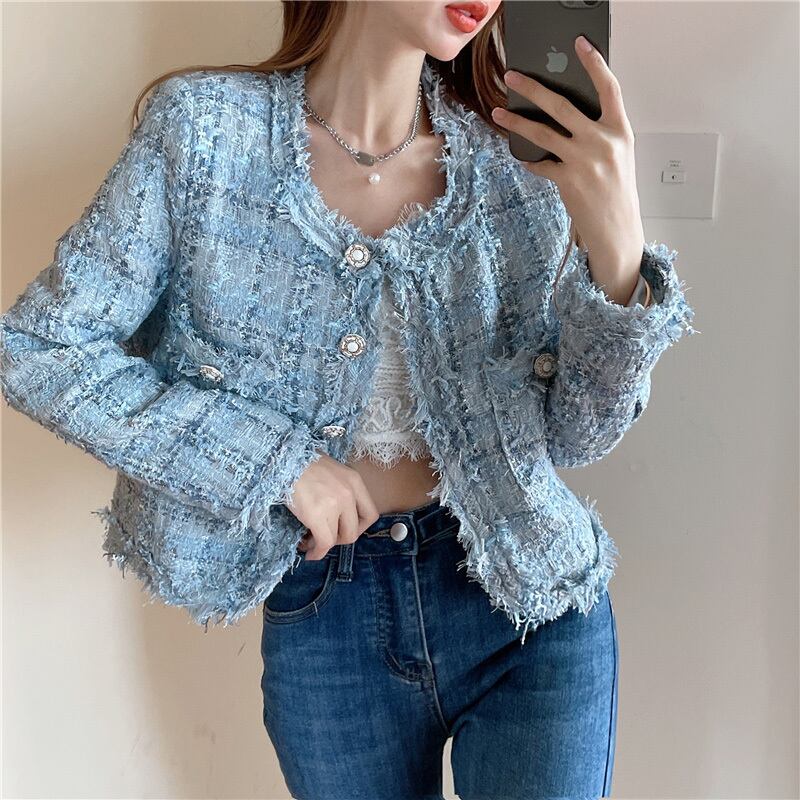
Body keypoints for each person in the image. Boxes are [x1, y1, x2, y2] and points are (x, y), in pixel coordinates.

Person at [0, 1, 699, 798]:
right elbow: (41, 348)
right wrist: (276, 464)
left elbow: (576, 434)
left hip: (526, 608)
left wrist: (617, 251)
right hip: (326, 620)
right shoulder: (203, 133)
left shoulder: (516, 163)